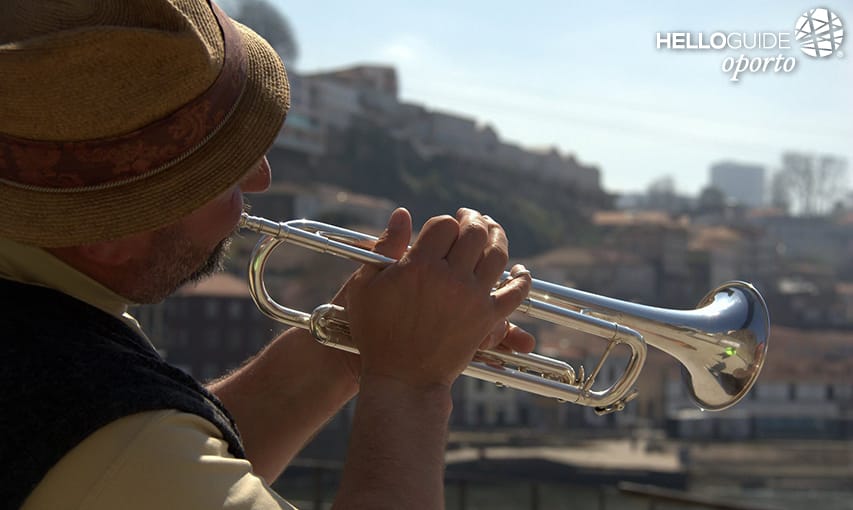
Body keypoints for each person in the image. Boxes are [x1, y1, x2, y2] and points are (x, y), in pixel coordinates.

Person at [0, 1, 534, 508]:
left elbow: (175, 454)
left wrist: (348, 345)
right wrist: (411, 384)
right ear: (104, 232)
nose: (261, 178)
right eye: (218, 172)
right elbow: (136, 460)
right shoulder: (114, 448)